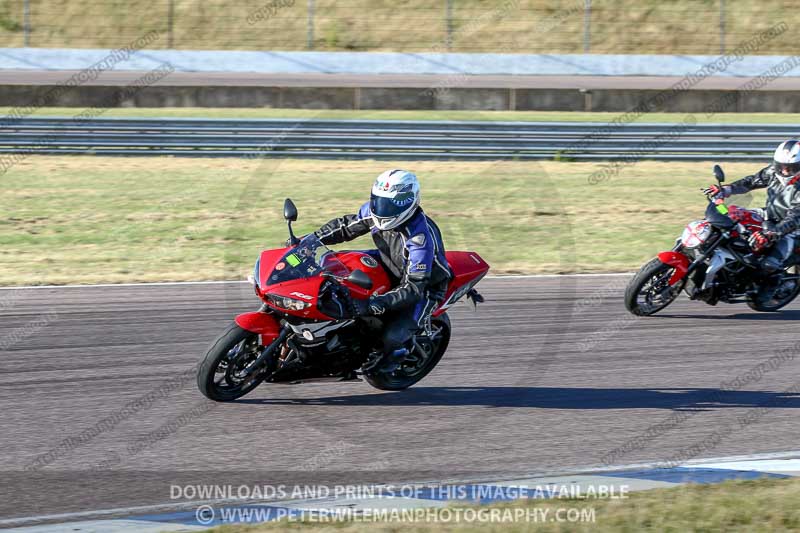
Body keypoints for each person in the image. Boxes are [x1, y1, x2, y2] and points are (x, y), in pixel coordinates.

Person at [314, 169, 452, 372]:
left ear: (406, 203)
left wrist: (374, 304)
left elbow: (413, 288)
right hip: (388, 261)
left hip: (425, 286)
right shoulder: (375, 211)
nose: (381, 209)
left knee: (393, 336)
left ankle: (394, 358)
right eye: (378, 201)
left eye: (388, 204)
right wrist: (310, 240)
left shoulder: (419, 240)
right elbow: (345, 227)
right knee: (336, 262)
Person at [704, 140, 800, 274]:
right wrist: (726, 190)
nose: (784, 171)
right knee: (733, 217)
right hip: (770, 215)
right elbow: (751, 181)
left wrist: (770, 234)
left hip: (793, 230)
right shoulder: (773, 171)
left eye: (791, 167)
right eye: (781, 166)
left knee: (768, 265)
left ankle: (764, 290)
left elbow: (794, 218)